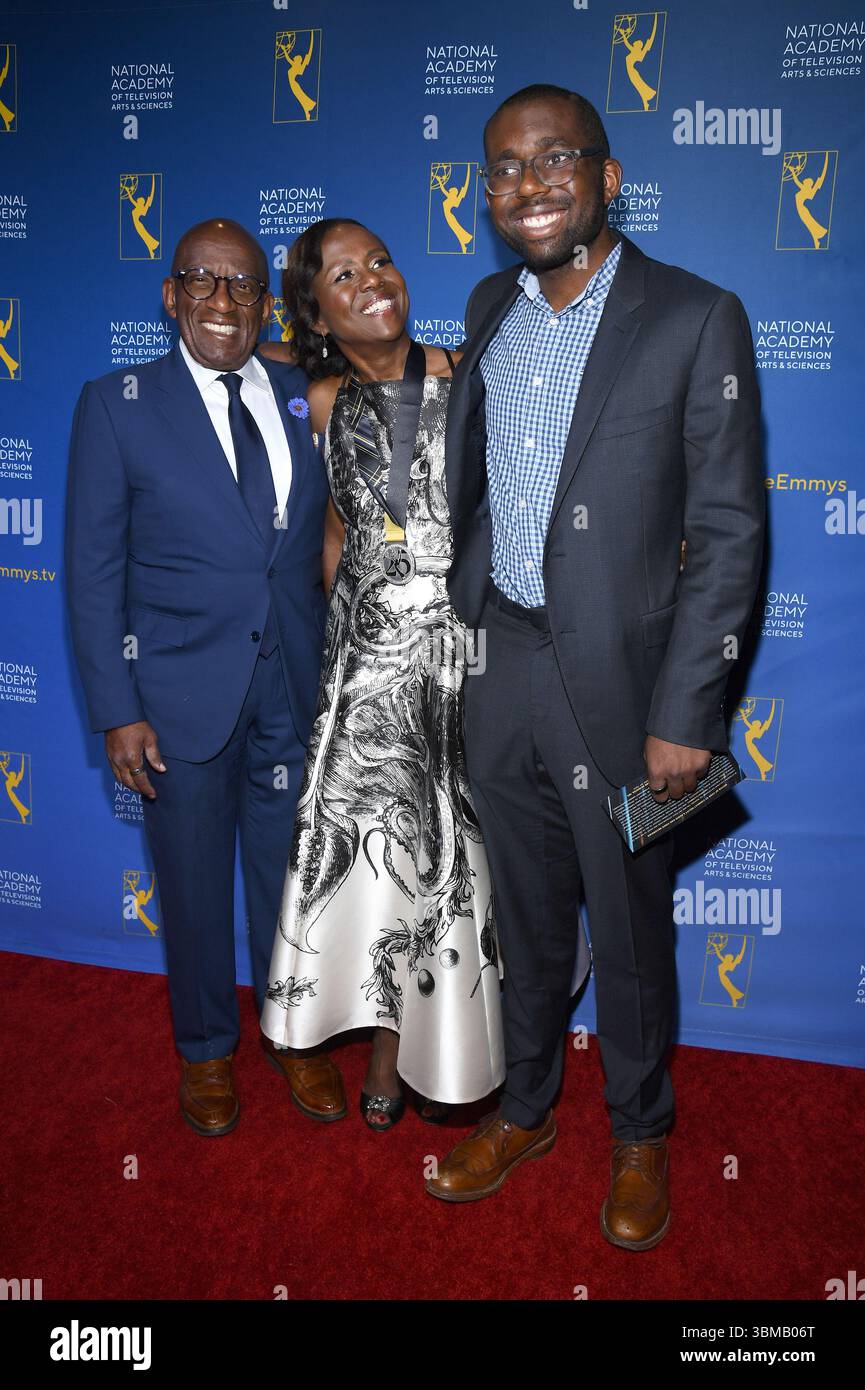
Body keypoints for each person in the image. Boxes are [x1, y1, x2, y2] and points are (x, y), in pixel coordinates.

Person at [428, 85, 765, 1246]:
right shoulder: (486, 309)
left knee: (627, 928)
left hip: (627, 693)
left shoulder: (691, 316)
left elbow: (727, 534)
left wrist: (690, 710)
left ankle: (639, 1133)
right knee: (522, 919)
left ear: (607, 177)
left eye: (551, 160)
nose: (524, 186)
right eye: (502, 170)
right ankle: (525, 1110)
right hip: (501, 664)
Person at [65, 218, 345, 1136]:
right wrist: (116, 709)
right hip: (177, 696)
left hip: (293, 688)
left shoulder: (308, 392)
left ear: (268, 304)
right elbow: (94, 571)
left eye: (243, 286)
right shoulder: (118, 403)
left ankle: (293, 1035)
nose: (222, 302)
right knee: (189, 884)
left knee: (290, 879)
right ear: (171, 294)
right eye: (202, 281)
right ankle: (206, 1051)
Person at [257, 219, 518, 1128]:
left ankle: (443, 1050)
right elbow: (336, 531)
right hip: (367, 667)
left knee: (457, 865)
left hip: (467, 658)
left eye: (381, 260)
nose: (374, 279)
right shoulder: (319, 401)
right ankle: (380, 1039)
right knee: (375, 871)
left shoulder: (467, 369)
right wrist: (339, 658)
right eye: (343, 274)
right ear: (316, 308)